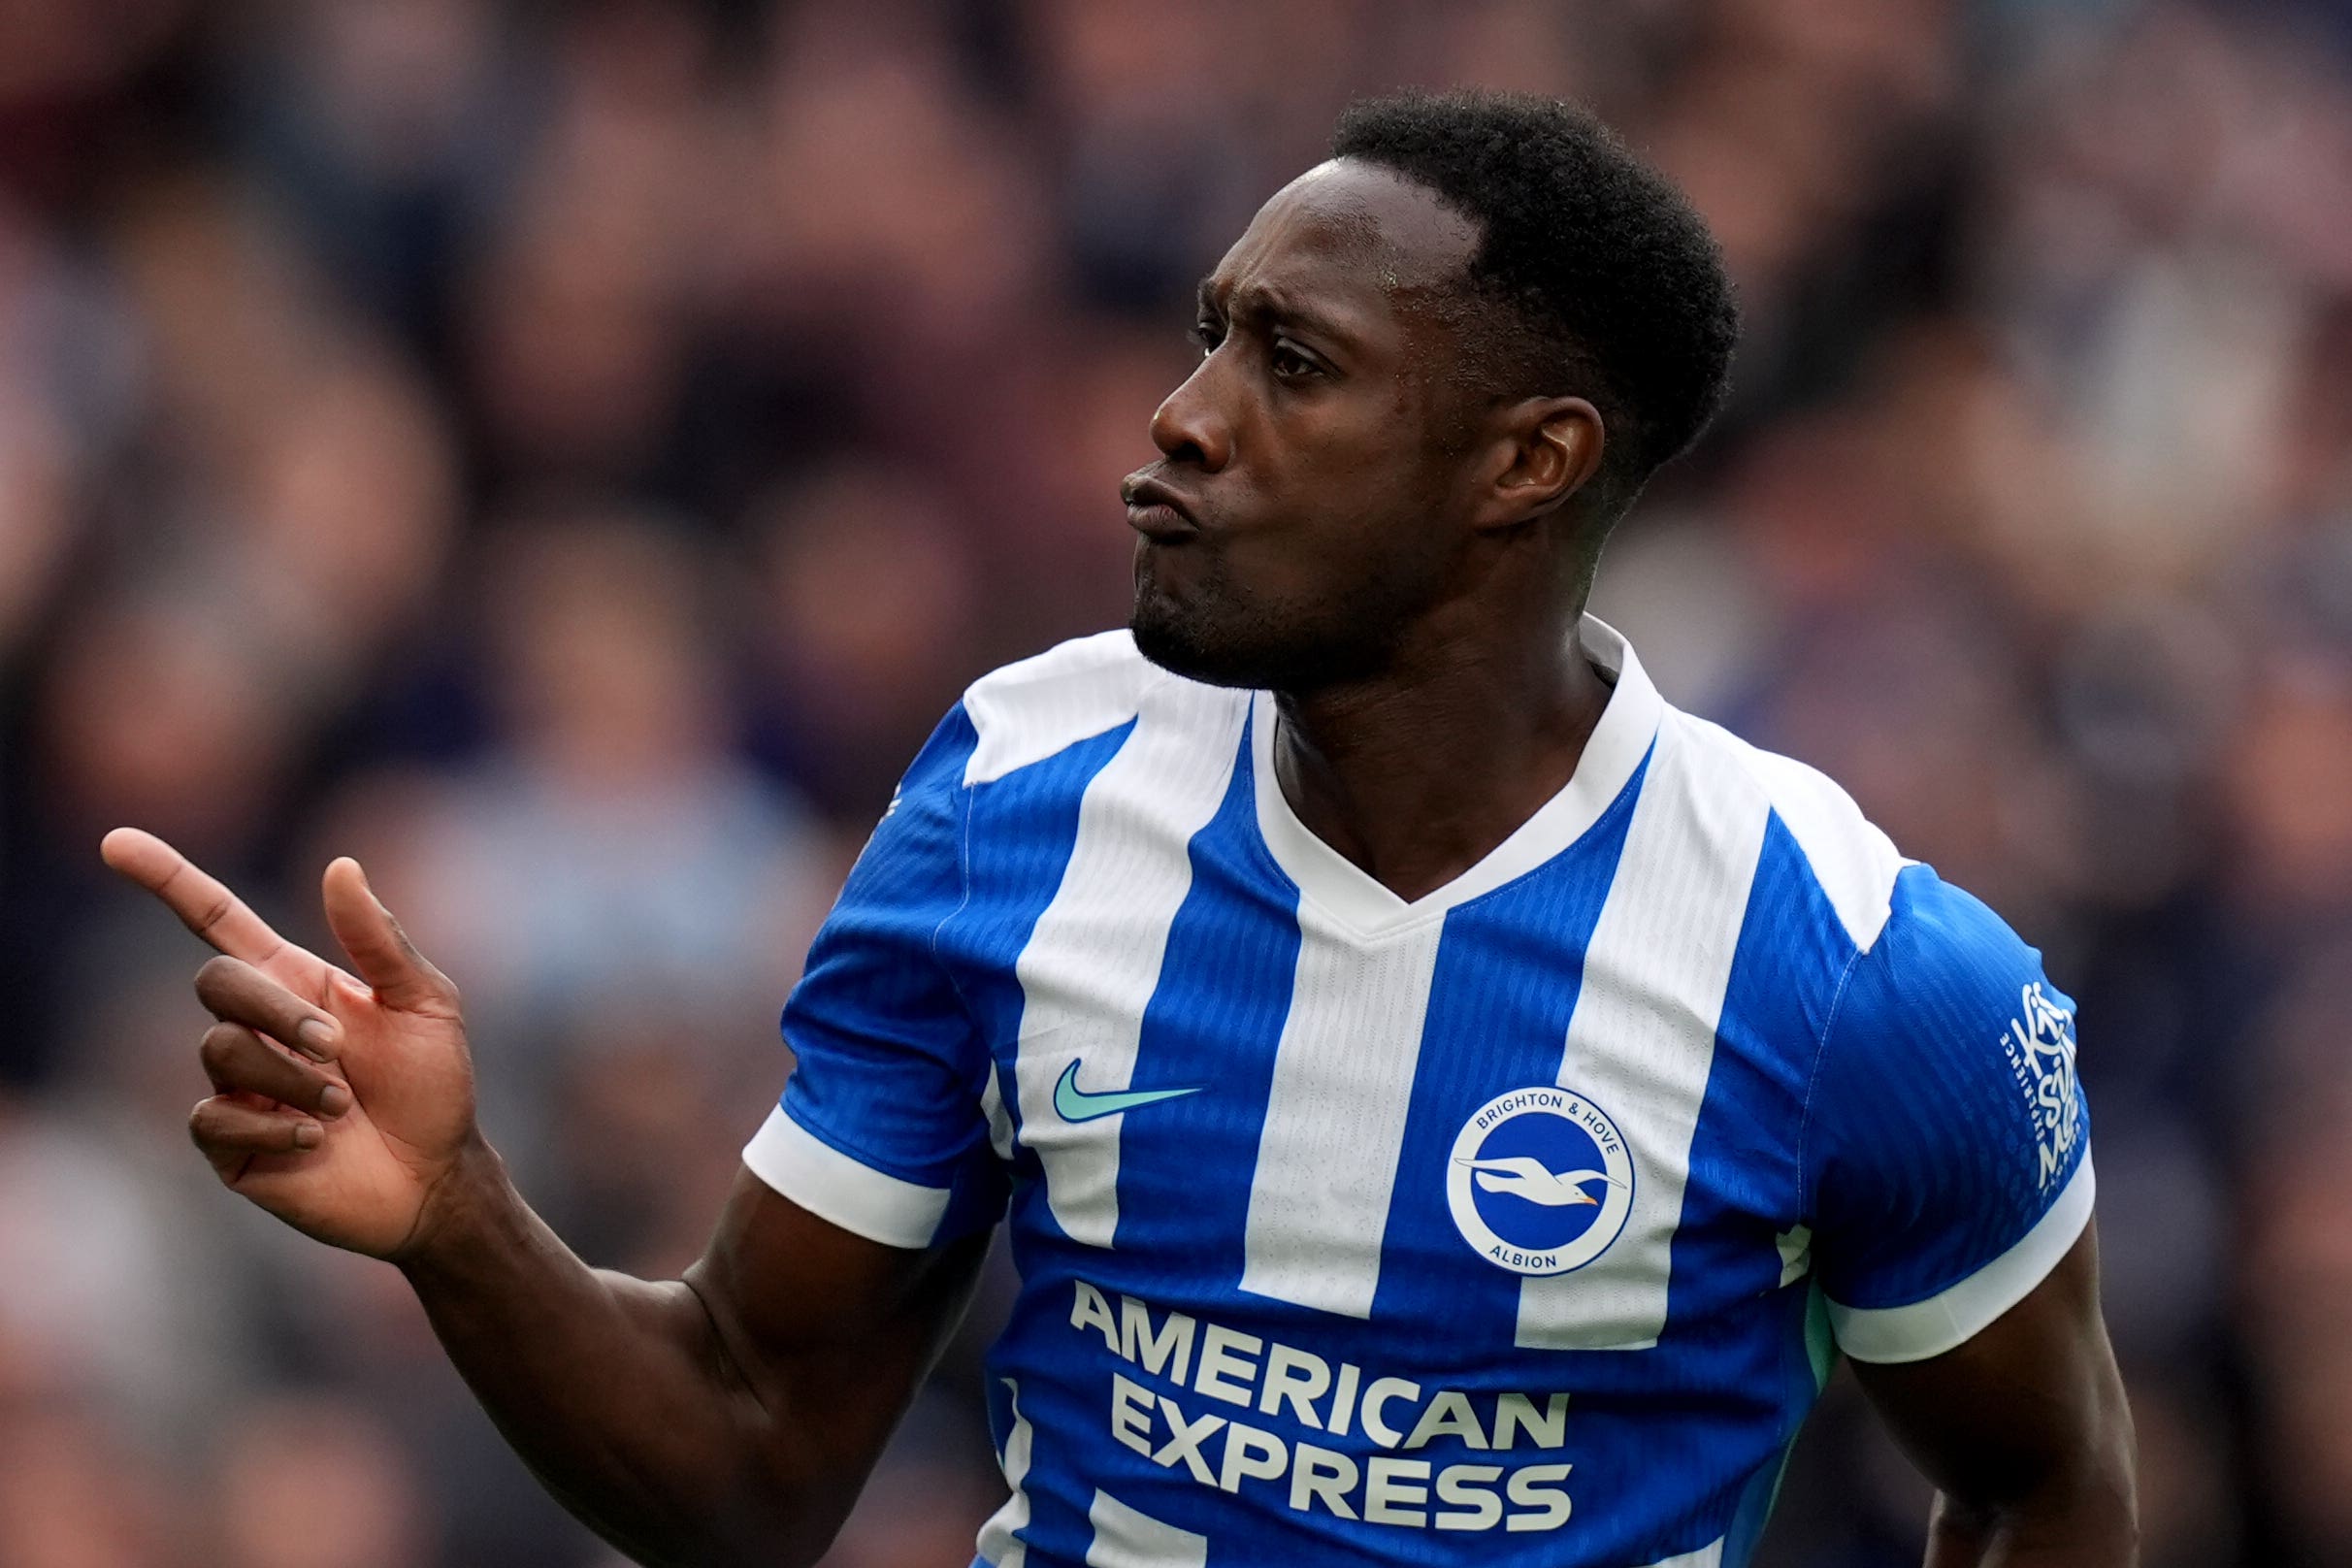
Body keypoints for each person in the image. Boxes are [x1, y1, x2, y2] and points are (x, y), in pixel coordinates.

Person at [104, 89, 2136, 1568]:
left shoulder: (1855, 969)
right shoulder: (1018, 796)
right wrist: (462, 1218)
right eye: (1208, 331)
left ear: (1531, 463)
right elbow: (741, 1452)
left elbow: (2048, 1479)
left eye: (1295, 362)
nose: (1182, 414)